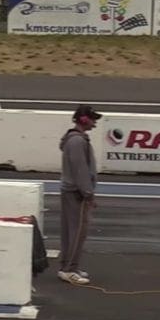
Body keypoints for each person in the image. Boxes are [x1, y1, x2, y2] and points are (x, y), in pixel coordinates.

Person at [58, 104, 101, 285]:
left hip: (73, 191)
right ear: (84, 119)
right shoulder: (77, 141)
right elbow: (81, 169)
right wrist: (88, 193)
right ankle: (69, 269)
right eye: (92, 119)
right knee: (77, 232)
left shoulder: (75, 139)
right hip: (76, 193)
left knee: (71, 231)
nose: (94, 123)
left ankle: (69, 266)